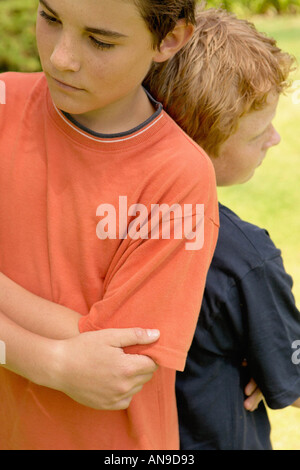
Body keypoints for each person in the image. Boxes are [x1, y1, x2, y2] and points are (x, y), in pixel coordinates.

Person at [0, 0, 219, 450]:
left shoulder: (178, 176)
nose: (61, 57)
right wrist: (53, 361)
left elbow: (120, 365)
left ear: (171, 39)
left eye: (100, 40)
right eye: (50, 18)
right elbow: (81, 357)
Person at [145, 7, 300, 450]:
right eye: (257, 134)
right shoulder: (244, 259)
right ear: (197, 149)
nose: (274, 138)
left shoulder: (111, 219)